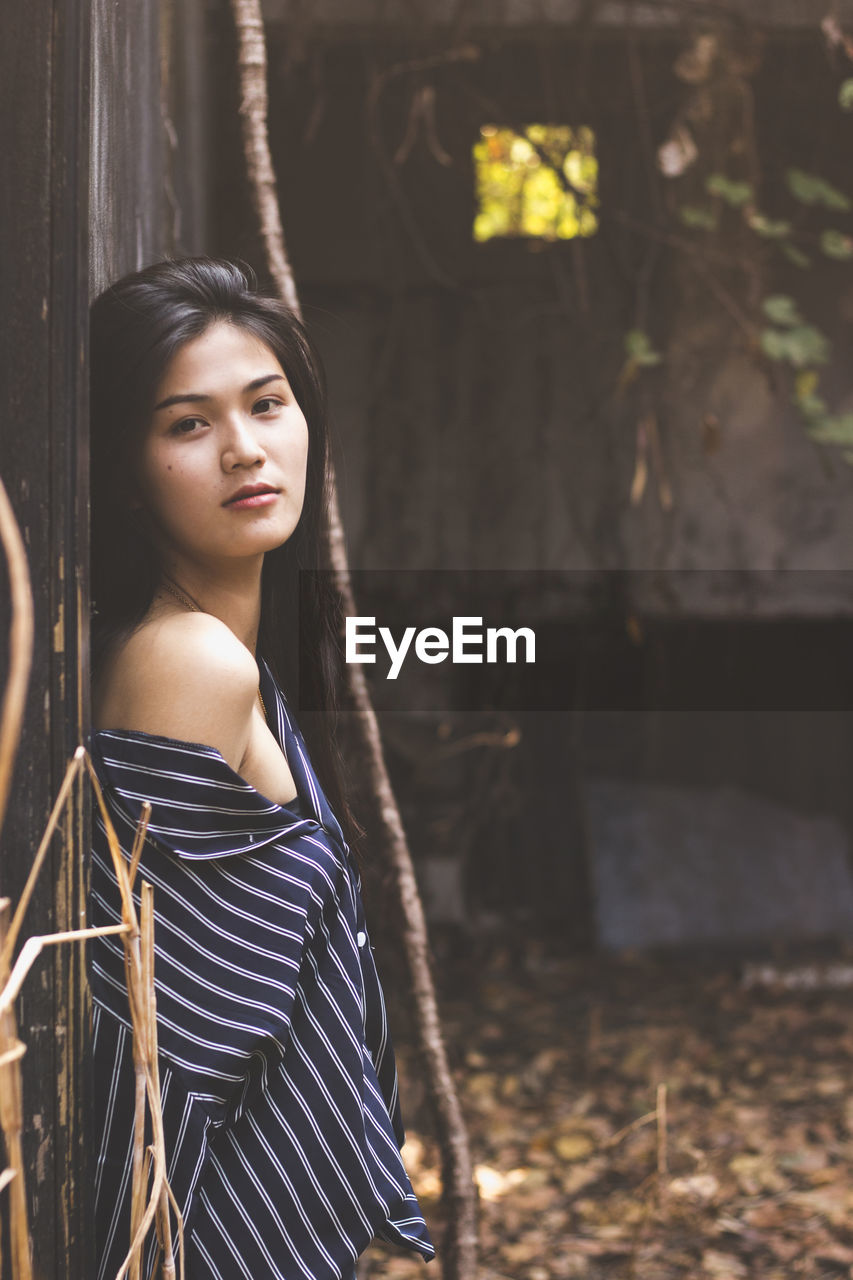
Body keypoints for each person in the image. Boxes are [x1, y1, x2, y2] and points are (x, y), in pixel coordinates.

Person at [87, 257, 436, 1280]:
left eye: (267, 404)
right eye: (187, 424)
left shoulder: (223, 646)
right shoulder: (187, 661)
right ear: (128, 465)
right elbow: (175, 1048)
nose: (246, 449)